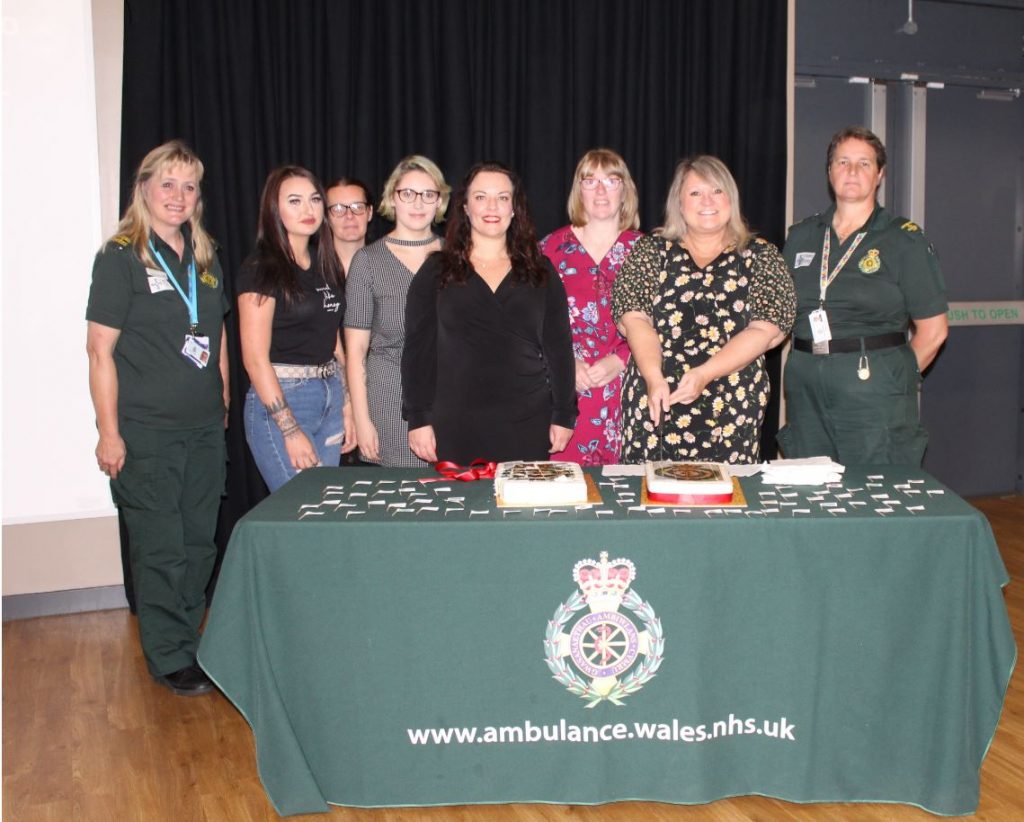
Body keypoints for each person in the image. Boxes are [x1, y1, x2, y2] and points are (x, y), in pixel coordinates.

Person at [86, 140, 228, 696]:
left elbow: (215, 342)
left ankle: (186, 643)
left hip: (201, 431)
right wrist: (109, 433)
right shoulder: (120, 257)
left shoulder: (205, 259)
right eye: (167, 184)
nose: (179, 196)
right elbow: (100, 351)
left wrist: (220, 406)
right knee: (162, 546)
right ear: (143, 189)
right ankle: (169, 655)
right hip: (146, 432)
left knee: (199, 544)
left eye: (189, 186)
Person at [778, 126, 948, 465]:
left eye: (864, 163)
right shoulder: (801, 236)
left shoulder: (903, 240)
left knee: (874, 493)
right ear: (829, 172)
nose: (852, 171)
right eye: (842, 161)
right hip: (806, 388)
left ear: (880, 174)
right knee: (812, 492)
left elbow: (934, 331)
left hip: (874, 391)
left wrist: (893, 378)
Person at [613, 155, 796, 464]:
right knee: (648, 503)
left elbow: (766, 331)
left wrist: (704, 374)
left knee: (726, 504)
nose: (707, 201)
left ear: (731, 199)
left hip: (730, 407)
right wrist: (654, 377)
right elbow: (634, 319)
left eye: (717, 191)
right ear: (679, 203)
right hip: (656, 399)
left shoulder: (762, 255)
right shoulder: (650, 250)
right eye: (695, 193)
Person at [402, 161, 577, 464]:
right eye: (481, 197)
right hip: (454, 423)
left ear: (514, 208)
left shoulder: (541, 271)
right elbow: (418, 350)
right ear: (466, 207)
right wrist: (418, 417)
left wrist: (564, 413)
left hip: (527, 422)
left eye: (502, 197)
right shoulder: (436, 271)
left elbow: (559, 348)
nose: (492, 207)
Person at [238, 166, 354, 492]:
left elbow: (333, 340)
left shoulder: (325, 263)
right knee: (303, 511)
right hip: (285, 399)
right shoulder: (262, 269)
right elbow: (254, 359)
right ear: (274, 209)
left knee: (327, 509)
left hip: (329, 395)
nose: (308, 209)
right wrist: (289, 430)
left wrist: (347, 405)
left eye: (315, 199)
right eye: (294, 201)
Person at [540, 148, 642, 465]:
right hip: (564, 398)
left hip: (629, 398)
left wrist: (622, 360)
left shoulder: (648, 252)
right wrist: (566, 362)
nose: (600, 190)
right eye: (590, 181)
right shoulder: (549, 249)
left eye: (611, 181)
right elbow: (528, 323)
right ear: (578, 190)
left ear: (625, 190)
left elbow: (666, 324)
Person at [345, 157, 448, 466]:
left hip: (449, 397)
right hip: (391, 399)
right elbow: (356, 351)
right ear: (392, 197)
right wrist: (363, 421)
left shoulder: (457, 257)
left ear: (440, 200)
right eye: (408, 193)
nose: (418, 203)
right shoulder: (367, 262)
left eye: (428, 194)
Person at [326, 176, 374, 275]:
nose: (349, 215)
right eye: (338, 208)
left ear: (370, 213)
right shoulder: (311, 268)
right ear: (327, 217)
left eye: (357, 207)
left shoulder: (388, 268)